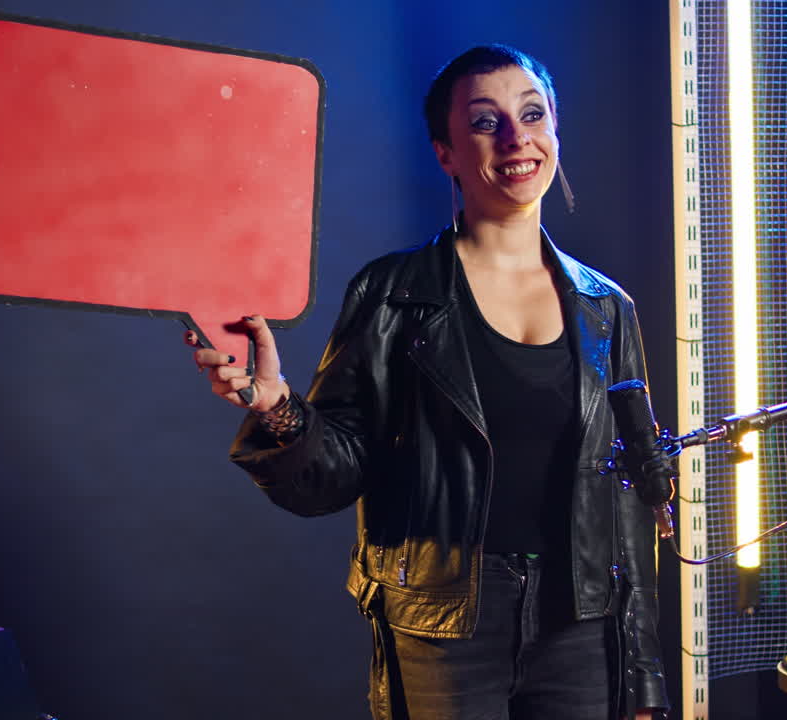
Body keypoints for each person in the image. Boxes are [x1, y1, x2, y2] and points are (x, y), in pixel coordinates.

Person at [187, 44, 668, 720]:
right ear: (445, 151)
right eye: (483, 121)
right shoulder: (393, 295)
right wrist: (278, 409)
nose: (515, 137)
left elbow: (627, 500)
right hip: (444, 624)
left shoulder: (605, 307)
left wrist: (644, 678)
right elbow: (337, 470)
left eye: (532, 114)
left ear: (554, 129)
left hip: (581, 620)